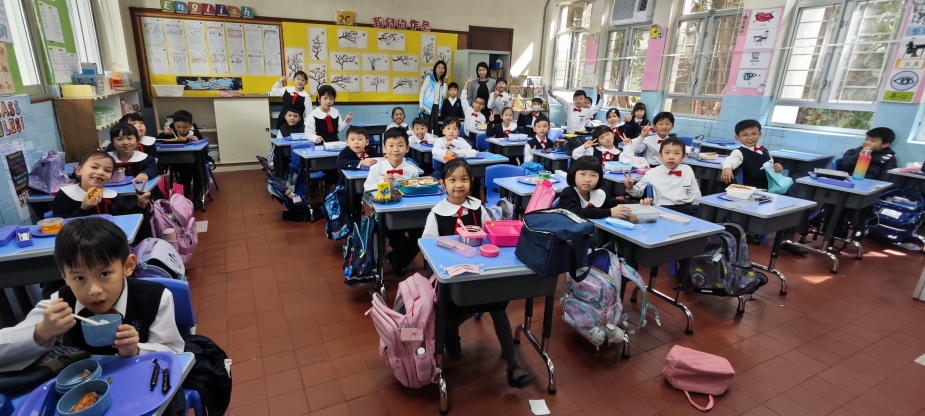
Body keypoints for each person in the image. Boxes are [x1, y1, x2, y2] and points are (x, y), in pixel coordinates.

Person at [0, 217, 186, 414]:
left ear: (128, 266)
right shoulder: (61, 303)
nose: (94, 290)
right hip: (83, 397)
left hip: (144, 392)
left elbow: (175, 353)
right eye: (79, 278)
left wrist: (137, 349)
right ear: (65, 276)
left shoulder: (155, 298)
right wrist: (41, 331)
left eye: (104, 274)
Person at [422, 159, 531, 388]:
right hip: (451, 278)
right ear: (443, 184)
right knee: (457, 306)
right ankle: (450, 330)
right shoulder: (436, 214)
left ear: (471, 182)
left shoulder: (478, 208)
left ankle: (512, 364)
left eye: (464, 179)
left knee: (497, 305)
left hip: (480, 272)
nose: (458, 185)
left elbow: (491, 235)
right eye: (452, 180)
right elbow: (428, 249)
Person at [364, 128, 422, 274]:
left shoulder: (412, 170)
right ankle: (399, 261)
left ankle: (397, 259)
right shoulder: (376, 169)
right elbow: (367, 189)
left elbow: (416, 191)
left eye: (400, 145)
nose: (395, 149)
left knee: (420, 237)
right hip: (385, 213)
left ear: (407, 148)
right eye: (391, 145)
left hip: (408, 211)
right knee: (396, 237)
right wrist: (382, 183)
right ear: (384, 148)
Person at [52, 150, 151, 218]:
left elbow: (128, 221)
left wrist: (140, 204)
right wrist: (84, 209)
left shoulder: (115, 197)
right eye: (94, 167)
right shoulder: (65, 195)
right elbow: (63, 228)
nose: (100, 172)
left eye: (107, 170)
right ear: (78, 170)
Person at [624, 137, 700, 216]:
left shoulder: (687, 169)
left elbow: (696, 193)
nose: (671, 157)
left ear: (684, 156)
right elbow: (638, 192)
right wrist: (631, 187)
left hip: (688, 207)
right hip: (664, 209)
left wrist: (698, 207)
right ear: (660, 155)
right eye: (667, 153)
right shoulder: (652, 173)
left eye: (676, 153)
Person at [560, 156, 646, 219]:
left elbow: (615, 203)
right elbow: (573, 212)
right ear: (573, 174)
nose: (588, 179)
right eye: (583, 174)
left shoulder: (599, 194)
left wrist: (639, 204)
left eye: (594, 175)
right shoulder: (568, 192)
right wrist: (609, 212)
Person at [156, 110, 205, 206]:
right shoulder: (171, 134)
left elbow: (203, 144)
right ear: (174, 125)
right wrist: (164, 133)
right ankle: (185, 194)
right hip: (179, 162)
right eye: (178, 127)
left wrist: (198, 141)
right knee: (184, 173)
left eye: (185, 127)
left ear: (191, 125)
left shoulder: (195, 134)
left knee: (198, 172)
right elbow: (158, 140)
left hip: (196, 162)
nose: (181, 130)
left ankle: (196, 196)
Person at [721, 119, 783, 188]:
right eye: (745, 135)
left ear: (760, 134)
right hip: (753, 189)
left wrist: (776, 168)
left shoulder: (765, 150)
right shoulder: (739, 152)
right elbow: (730, 160)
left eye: (754, 134)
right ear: (737, 137)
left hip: (770, 187)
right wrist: (727, 168)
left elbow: (769, 168)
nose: (750, 138)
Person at [107, 123, 162, 199]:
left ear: (137, 140)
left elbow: (153, 169)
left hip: (141, 195)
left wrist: (144, 174)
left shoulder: (146, 158)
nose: (125, 142)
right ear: (112, 142)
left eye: (129, 138)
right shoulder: (107, 160)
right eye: (119, 139)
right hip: (114, 195)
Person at [419, 61, 448, 134]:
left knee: (436, 127)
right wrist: (421, 105)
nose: (441, 70)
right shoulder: (429, 78)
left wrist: (445, 83)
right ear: (435, 68)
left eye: (443, 68)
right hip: (427, 106)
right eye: (439, 67)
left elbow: (444, 95)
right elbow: (422, 92)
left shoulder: (443, 81)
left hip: (437, 106)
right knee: (427, 126)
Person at [460, 79, 487, 143]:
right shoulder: (468, 110)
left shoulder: (482, 118)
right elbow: (463, 98)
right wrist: (467, 83)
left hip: (475, 140)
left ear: (483, 107)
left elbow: (481, 132)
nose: (478, 105)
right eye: (477, 102)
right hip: (465, 138)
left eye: (481, 104)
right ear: (473, 103)